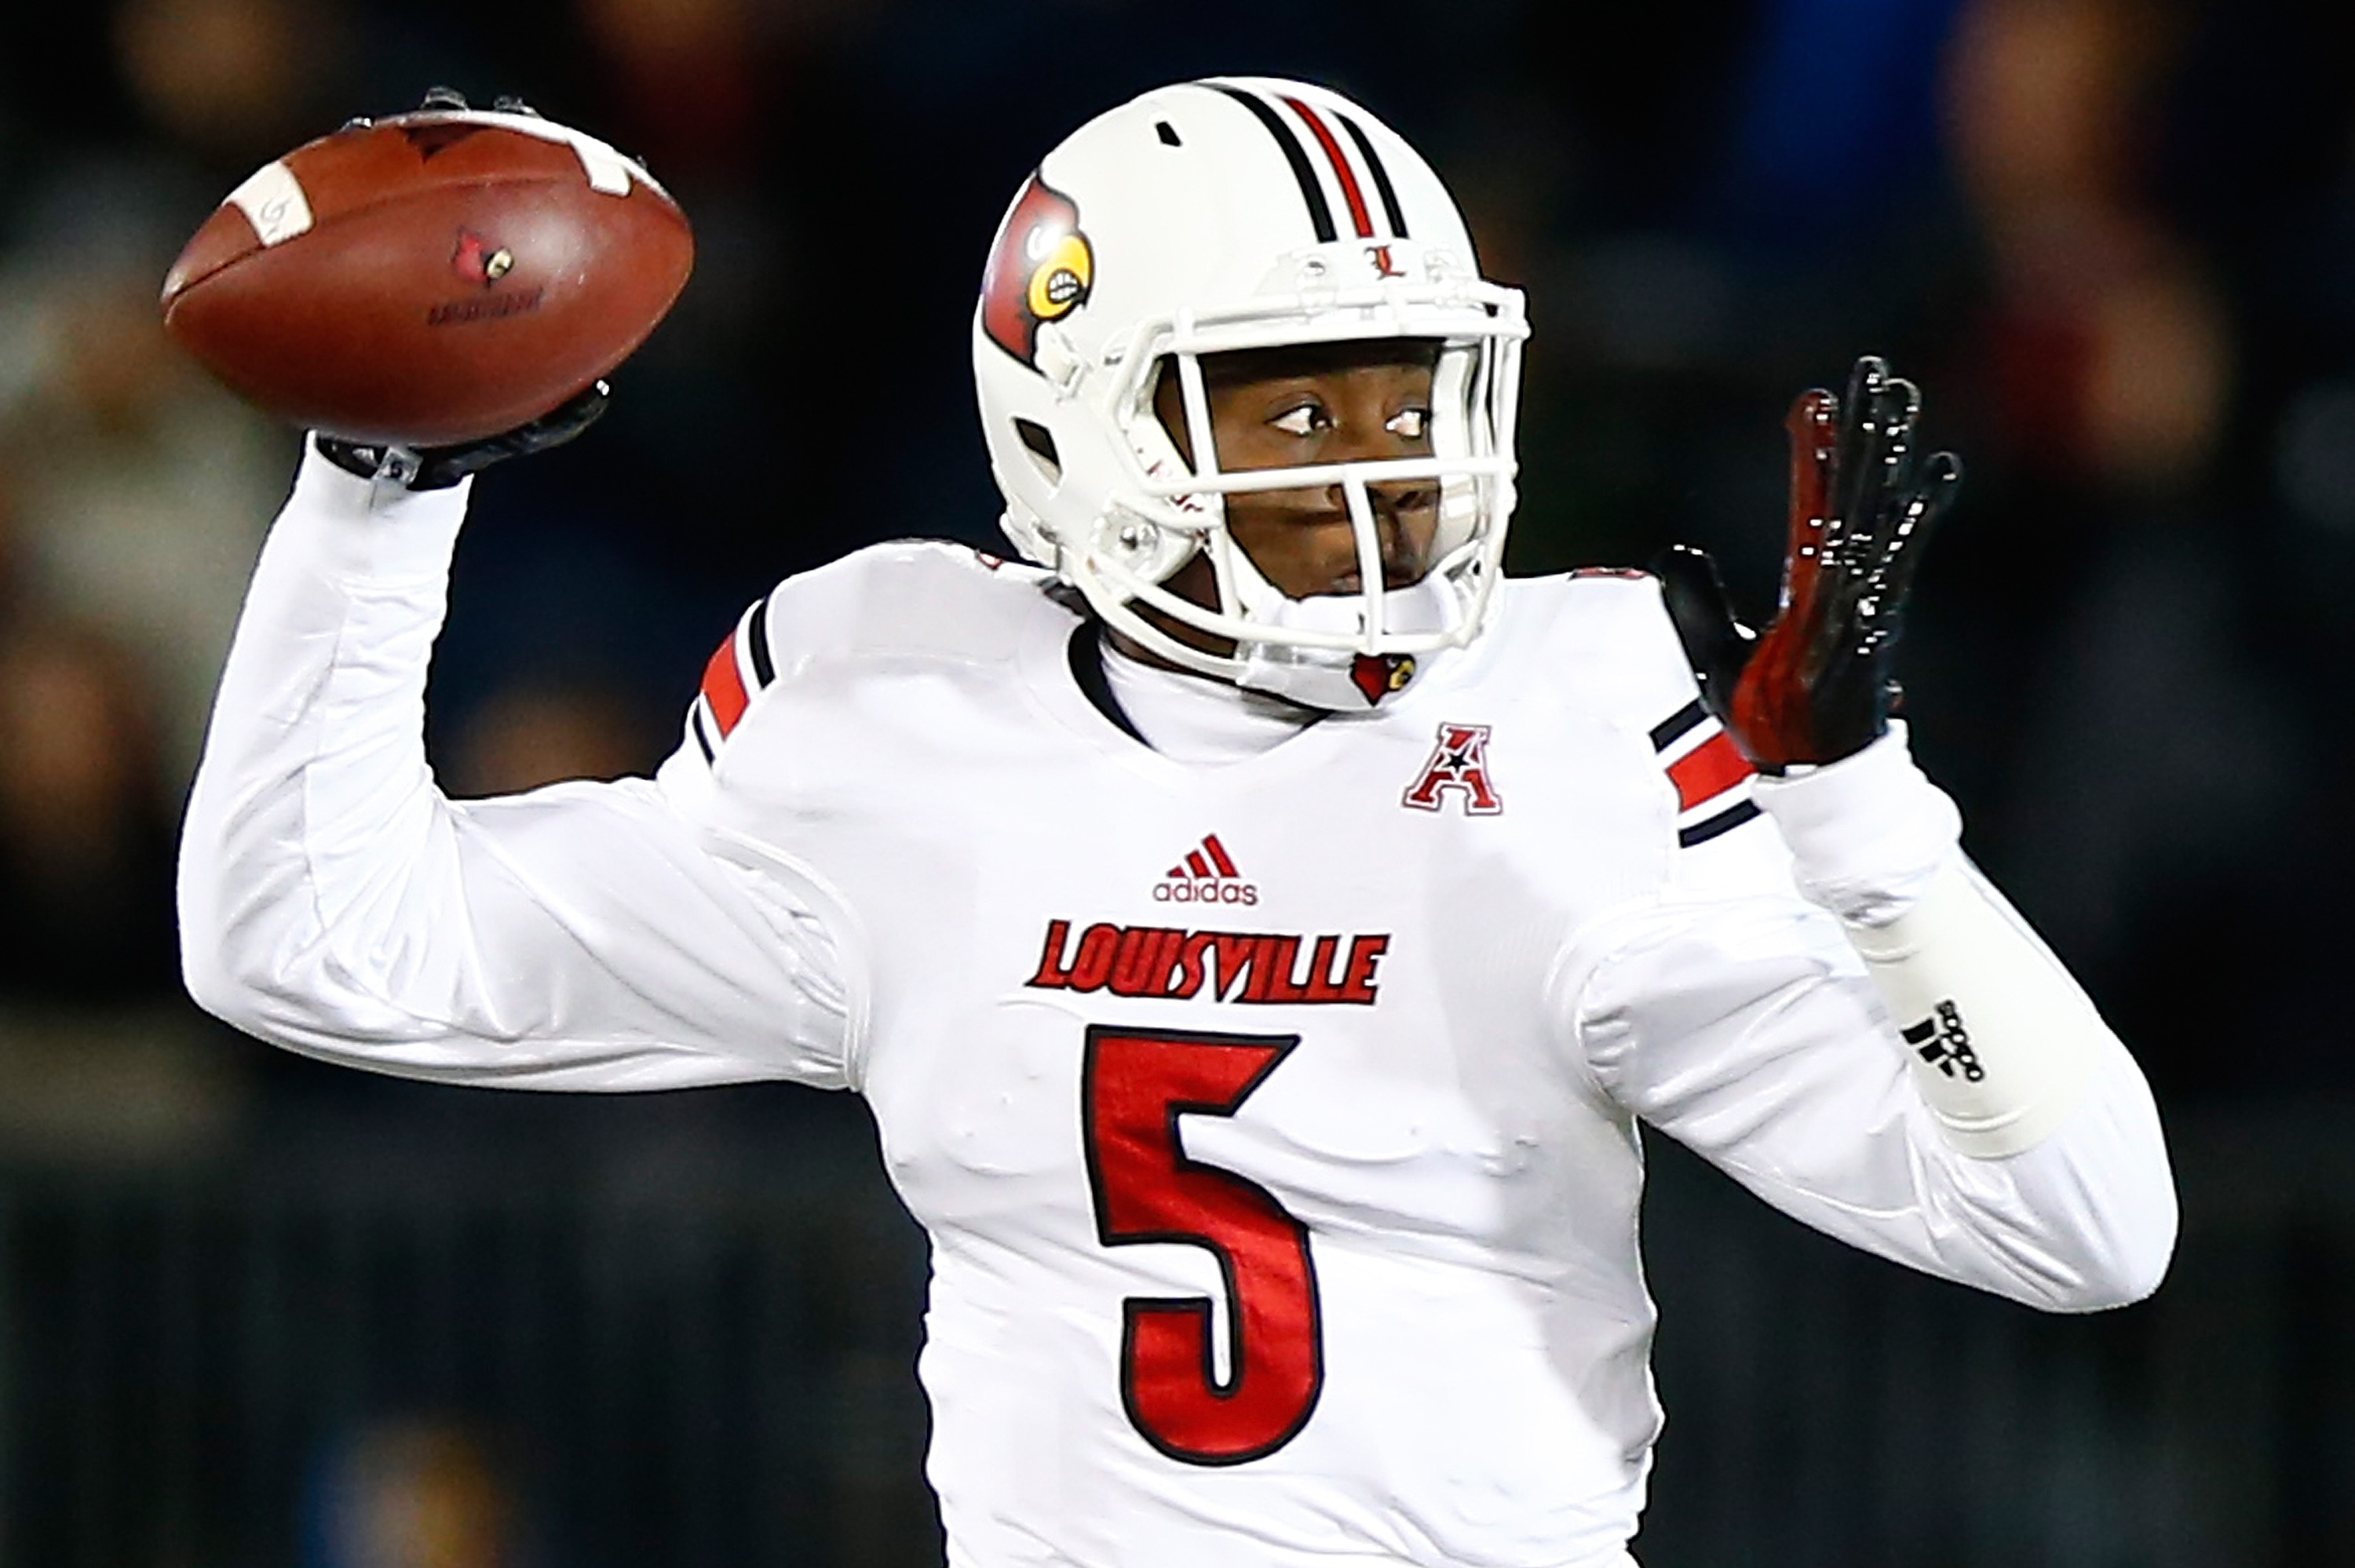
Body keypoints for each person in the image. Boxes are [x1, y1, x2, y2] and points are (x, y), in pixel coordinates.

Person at [177, 77, 2177, 1568]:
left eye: (1411, 399)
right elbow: (310, 943)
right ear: (1079, 428)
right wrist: (378, 491)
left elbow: (2086, 1229)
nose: (1389, 483)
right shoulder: (901, 711)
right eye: (1299, 412)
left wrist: (1862, 816)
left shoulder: (1573, 719)